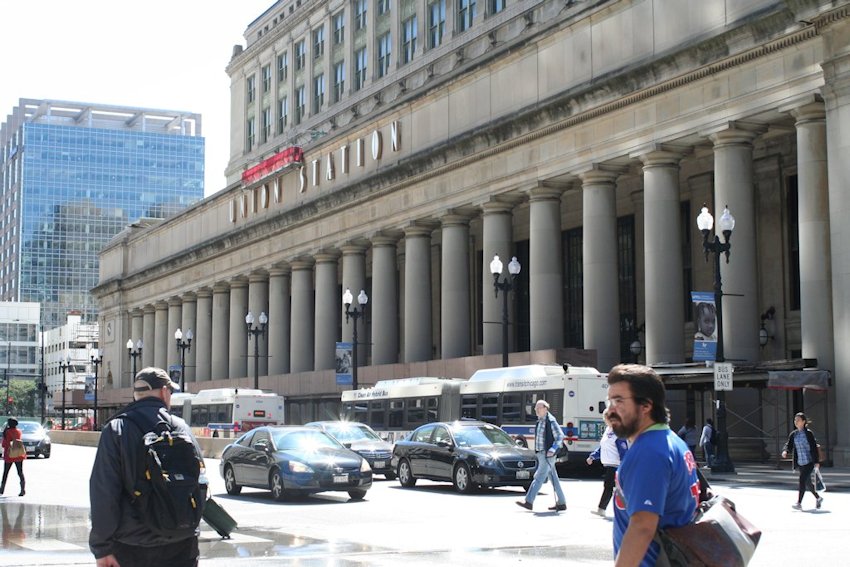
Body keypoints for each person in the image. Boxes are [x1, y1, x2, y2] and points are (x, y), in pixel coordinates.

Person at [89, 367, 206, 567]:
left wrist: (102, 548)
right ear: (164, 392)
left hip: (131, 546)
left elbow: (104, 492)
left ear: (136, 395)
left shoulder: (116, 429)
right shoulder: (181, 428)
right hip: (181, 542)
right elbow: (199, 481)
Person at [606, 364, 699, 567]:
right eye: (610, 401)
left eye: (619, 401)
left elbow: (642, 526)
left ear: (646, 406)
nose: (610, 410)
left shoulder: (649, 452)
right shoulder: (671, 441)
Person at [516, 399, 567, 512]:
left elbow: (560, 436)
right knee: (554, 479)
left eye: (539, 408)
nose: (536, 410)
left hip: (547, 455)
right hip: (542, 454)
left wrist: (553, 449)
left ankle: (529, 501)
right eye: (536, 408)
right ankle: (562, 503)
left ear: (545, 408)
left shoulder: (550, 421)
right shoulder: (540, 420)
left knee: (538, 477)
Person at [586, 418, 628, 517]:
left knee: (611, 487)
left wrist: (624, 465)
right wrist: (593, 456)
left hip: (616, 464)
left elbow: (623, 450)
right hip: (610, 464)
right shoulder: (608, 430)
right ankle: (602, 509)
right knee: (610, 487)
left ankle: (603, 509)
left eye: (606, 419)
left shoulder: (618, 432)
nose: (605, 421)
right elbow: (603, 447)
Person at [781, 412, 823, 510]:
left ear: (803, 421)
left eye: (798, 420)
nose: (796, 422)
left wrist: (816, 462)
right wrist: (785, 451)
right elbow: (789, 445)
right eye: (795, 420)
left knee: (802, 480)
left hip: (809, 462)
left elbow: (813, 447)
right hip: (800, 462)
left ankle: (799, 503)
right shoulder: (794, 434)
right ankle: (818, 498)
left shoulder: (808, 434)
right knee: (807, 482)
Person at [1, 417, 26, 496]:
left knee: (5, 472)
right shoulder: (19, 431)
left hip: (9, 455)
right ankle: (22, 489)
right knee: (20, 472)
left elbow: (4, 444)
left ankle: (2, 489)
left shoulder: (7, 432)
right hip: (18, 454)